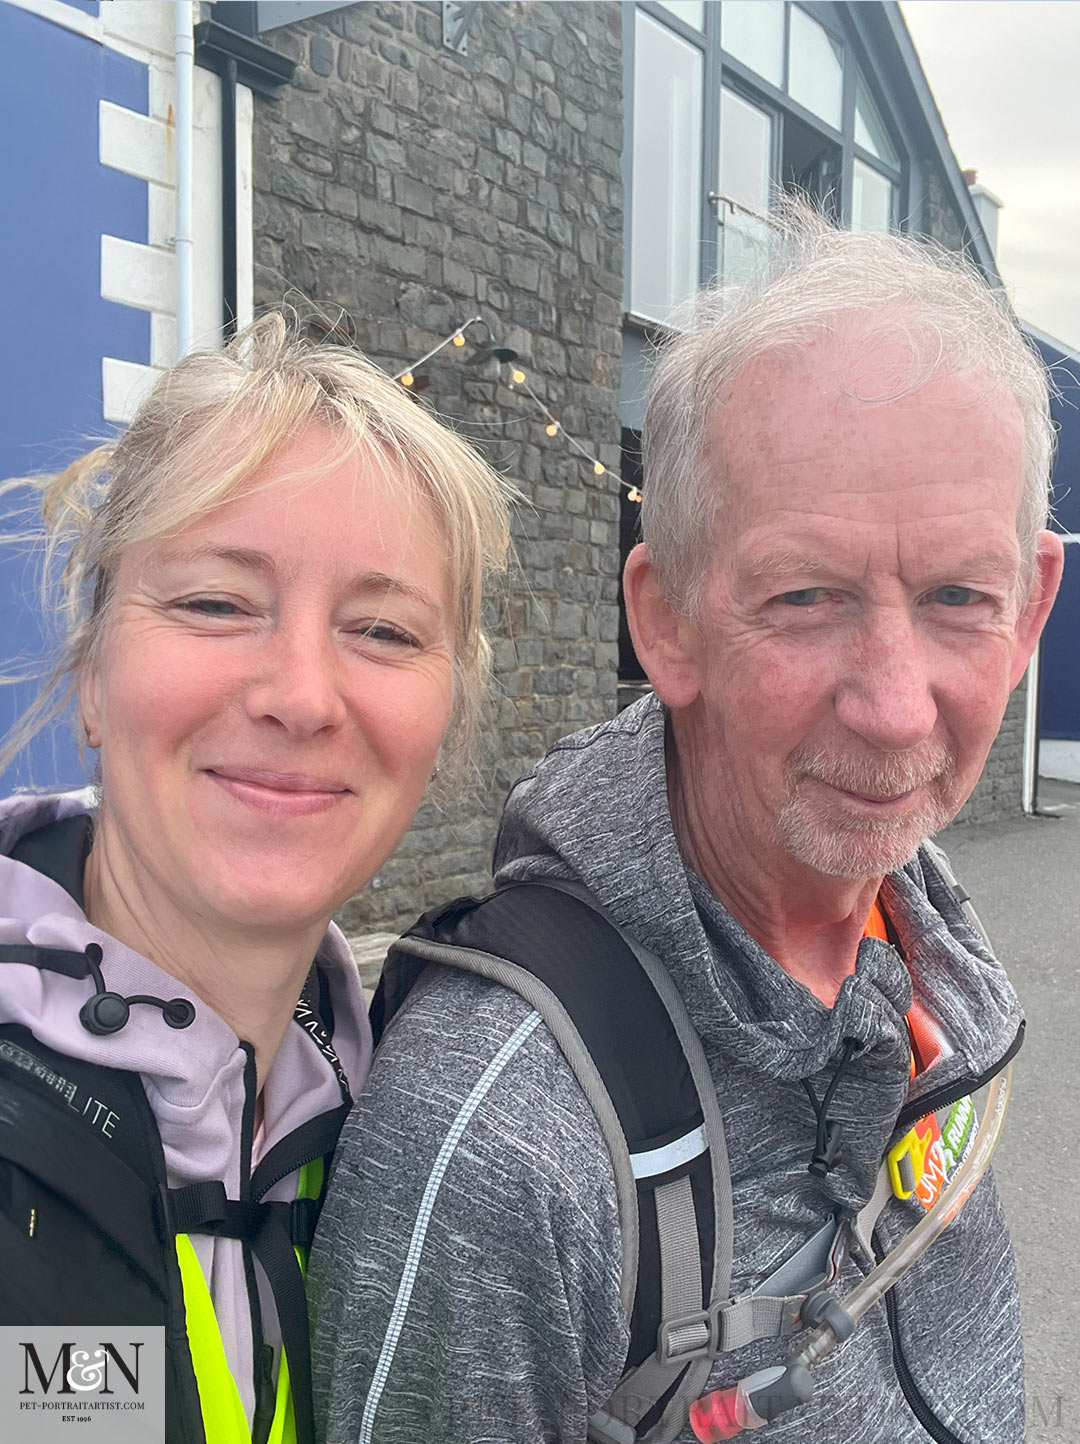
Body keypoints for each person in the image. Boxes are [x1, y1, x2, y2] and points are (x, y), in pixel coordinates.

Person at [312, 204, 1065, 1444]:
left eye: (955, 596)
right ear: (664, 623)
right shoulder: (501, 1142)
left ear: (1031, 604)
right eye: (805, 595)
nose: (891, 705)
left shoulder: (930, 944)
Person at [0, 315, 511, 1444]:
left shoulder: (408, 1113)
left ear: (446, 719)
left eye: (381, 629)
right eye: (215, 603)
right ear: (92, 676)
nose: (301, 693)